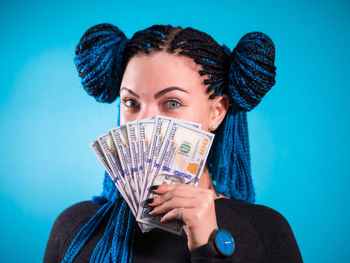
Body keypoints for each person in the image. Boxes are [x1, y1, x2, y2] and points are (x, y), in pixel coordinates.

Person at [44, 23, 303, 262]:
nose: (144, 123)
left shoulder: (266, 230)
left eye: (172, 103)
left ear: (217, 112)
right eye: (131, 103)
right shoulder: (74, 226)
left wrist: (209, 247)